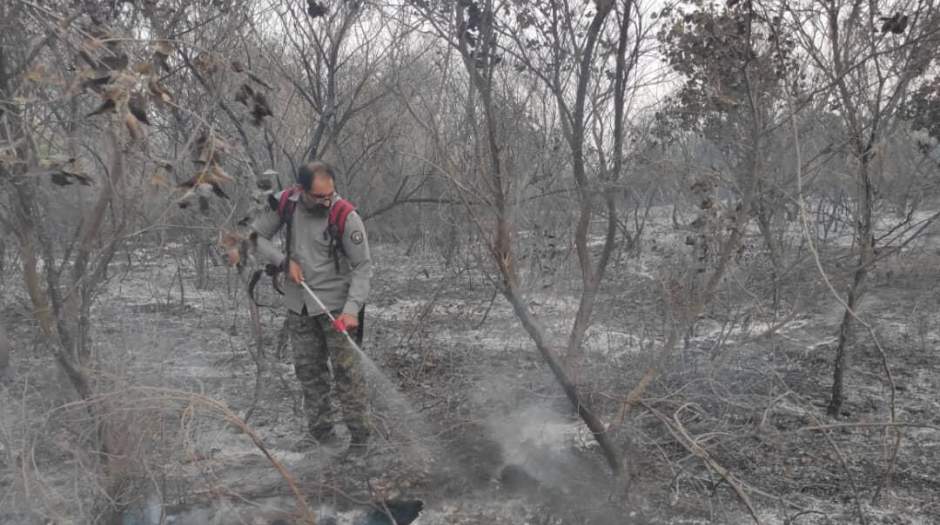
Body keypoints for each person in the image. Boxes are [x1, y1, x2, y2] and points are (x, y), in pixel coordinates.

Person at [250, 161, 373, 454]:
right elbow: (254, 237)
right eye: (319, 196)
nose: (327, 200)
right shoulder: (285, 204)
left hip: (337, 310)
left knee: (348, 376)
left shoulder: (346, 215)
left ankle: (360, 441)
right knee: (309, 373)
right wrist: (282, 262)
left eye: (330, 194)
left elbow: (363, 267)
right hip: (299, 306)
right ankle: (322, 436)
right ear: (302, 190)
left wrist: (352, 309)